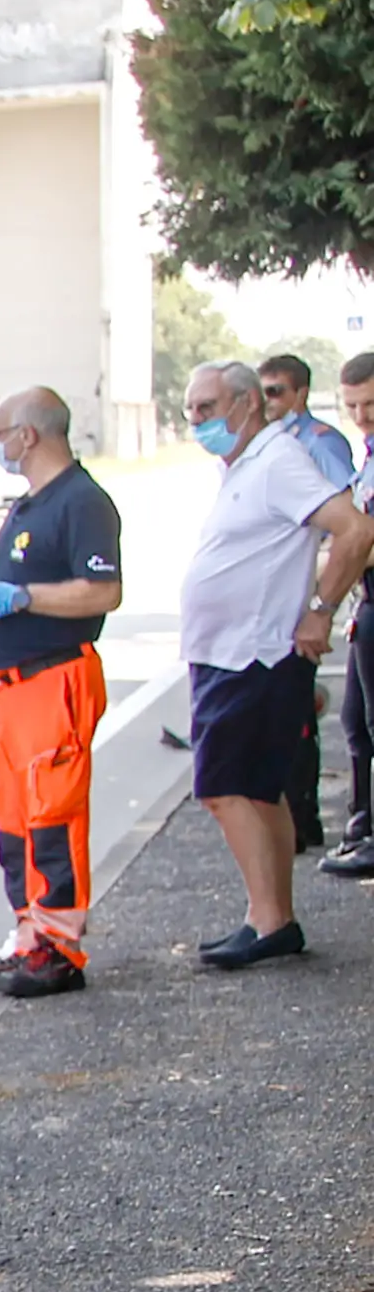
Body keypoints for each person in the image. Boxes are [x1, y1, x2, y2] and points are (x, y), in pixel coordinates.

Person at [172, 359, 374, 967]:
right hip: (234, 654)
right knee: (260, 791)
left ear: (244, 404)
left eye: (206, 409)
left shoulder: (277, 460)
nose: (196, 421)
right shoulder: (246, 464)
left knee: (225, 788)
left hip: (251, 656)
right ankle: (275, 917)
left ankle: (266, 919)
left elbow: (355, 531)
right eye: (190, 411)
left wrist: (320, 611)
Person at [0, 387, 122, 999]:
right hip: (12, 688)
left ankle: (60, 945)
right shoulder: (29, 506)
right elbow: (14, 583)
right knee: (15, 816)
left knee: (53, 815)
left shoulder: (82, 501)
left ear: (30, 434)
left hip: (55, 678)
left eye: (0, 431)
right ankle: (29, 933)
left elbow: (101, 592)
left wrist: (22, 598)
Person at [263, 357, 360, 849]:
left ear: (300, 394)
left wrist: (324, 602)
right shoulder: (270, 448)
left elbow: (350, 525)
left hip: (313, 592)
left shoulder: (318, 444)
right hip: (284, 596)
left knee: (301, 717)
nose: (269, 402)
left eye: (277, 392)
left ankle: (303, 821)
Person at [321, 350, 374, 878]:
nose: (362, 415)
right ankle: (364, 824)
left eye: (371, 403)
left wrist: (350, 545)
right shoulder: (368, 456)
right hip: (366, 602)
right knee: (356, 724)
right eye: (354, 404)